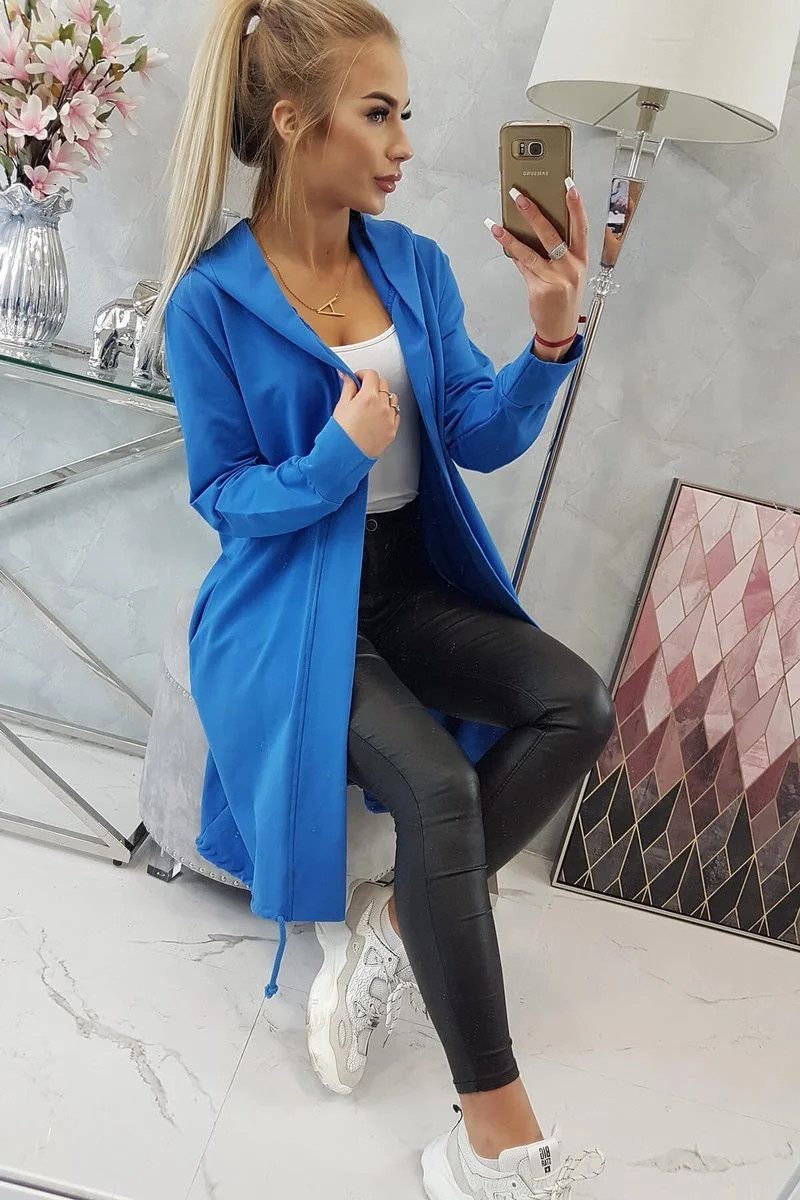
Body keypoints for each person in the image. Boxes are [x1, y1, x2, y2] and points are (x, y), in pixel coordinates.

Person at [145, 1, 616, 1195]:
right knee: (441, 791)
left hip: (407, 583)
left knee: (575, 704)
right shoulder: (209, 301)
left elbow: (474, 433)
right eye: (377, 113)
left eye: (404, 113)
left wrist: (547, 343)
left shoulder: (410, 264)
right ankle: (494, 1140)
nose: (404, 143)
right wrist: (335, 456)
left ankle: (397, 924)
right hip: (291, 608)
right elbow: (225, 499)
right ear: (293, 122)